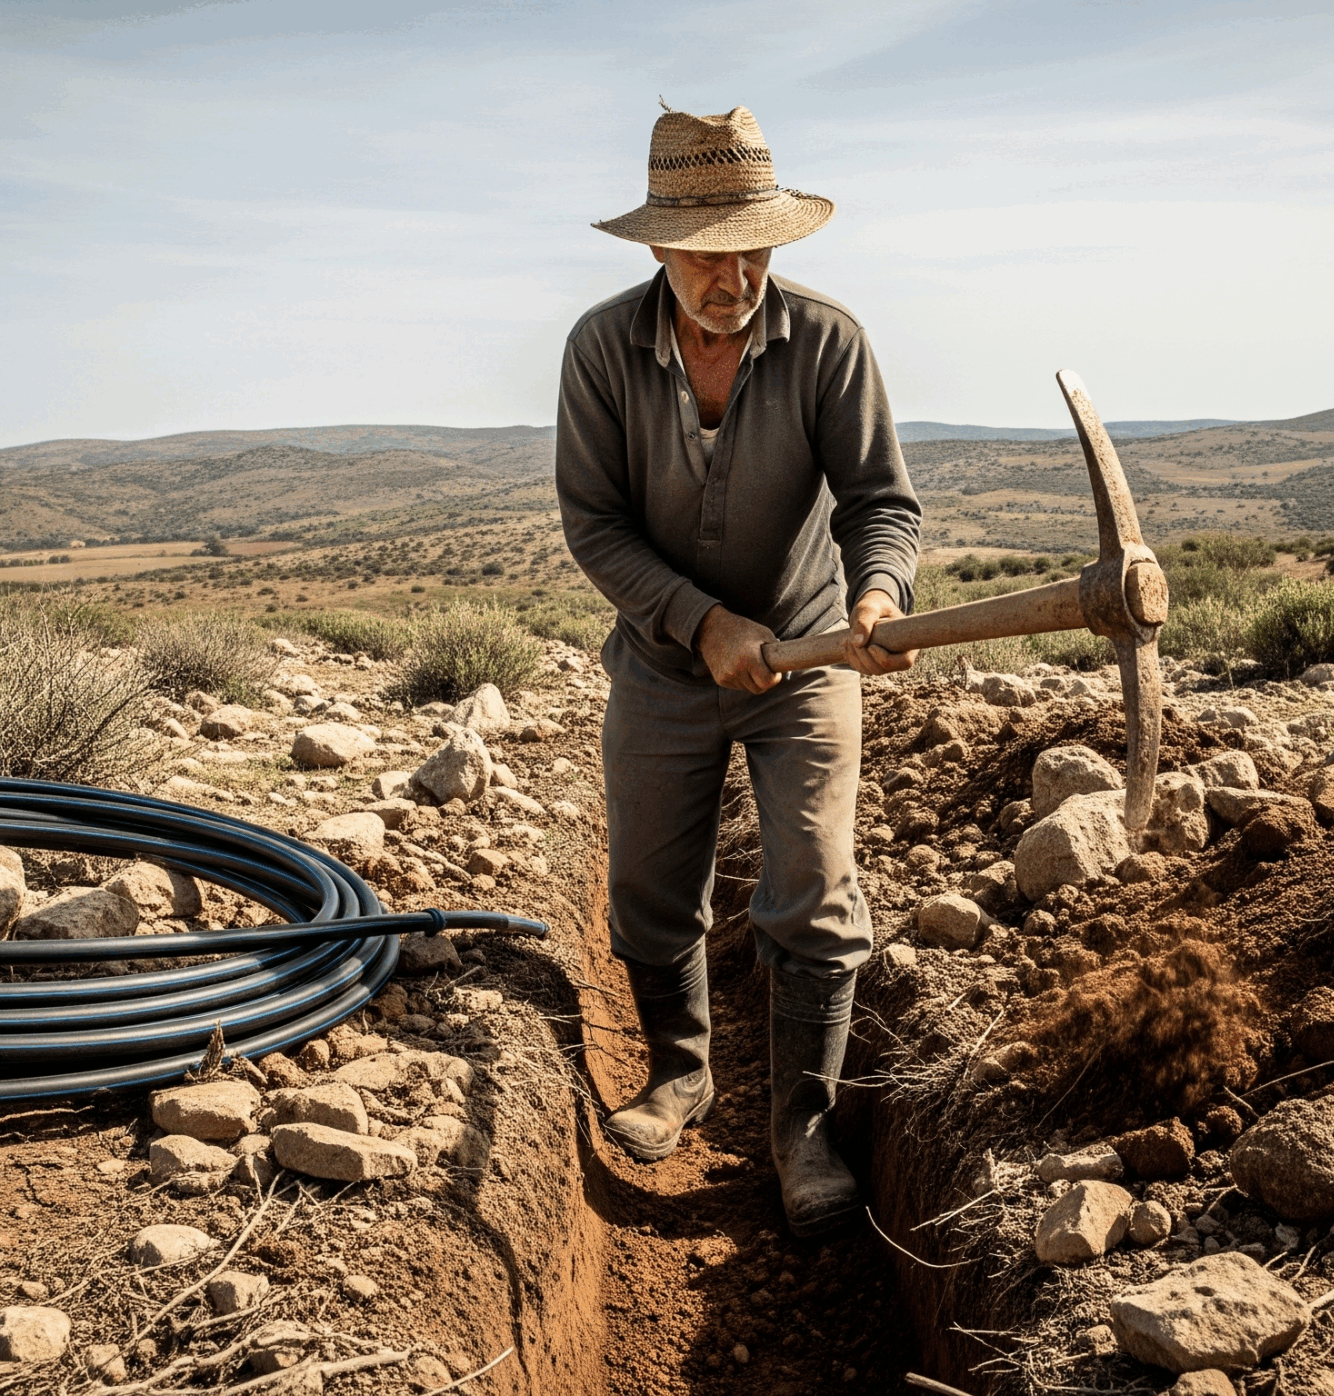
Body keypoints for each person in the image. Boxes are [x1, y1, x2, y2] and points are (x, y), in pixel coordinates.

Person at [554, 104, 923, 1236]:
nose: (737, 274)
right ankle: (679, 1074)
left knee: (813, 884)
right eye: (711, 253)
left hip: (810, 652)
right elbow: (594, 523)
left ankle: (802, 1128)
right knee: (650, 886)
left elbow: (880, 504)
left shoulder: (828, 342)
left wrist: (877, 594)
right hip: (667, 662)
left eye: (756, 246)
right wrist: (698, 621)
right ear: (659, 246)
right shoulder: (601, 349)